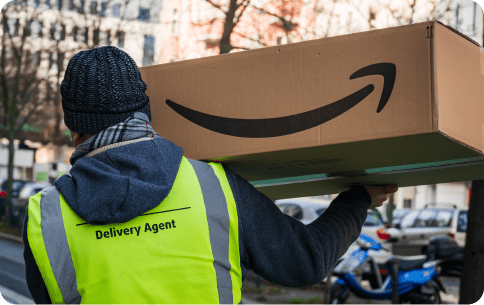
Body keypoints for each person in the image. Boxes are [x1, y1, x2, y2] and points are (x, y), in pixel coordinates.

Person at [23, 46, 398, 304]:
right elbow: (307, 260)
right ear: (144, 112)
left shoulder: (46, 218)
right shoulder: (214, 187)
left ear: (74, 128)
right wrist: (360, 199)